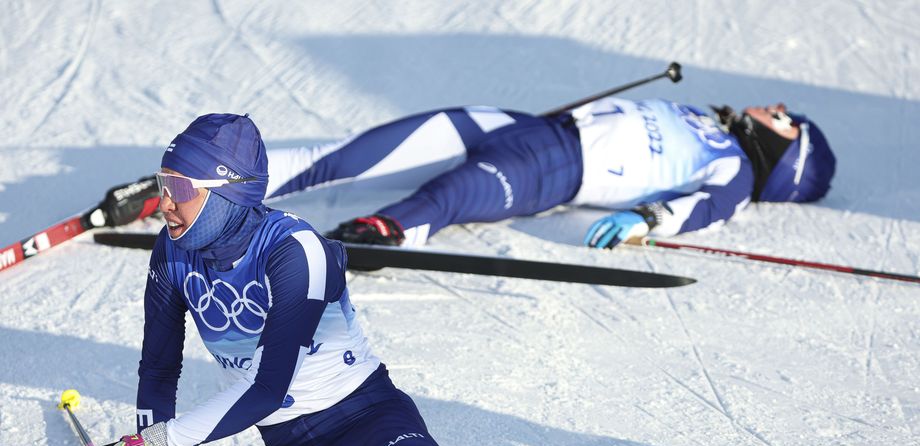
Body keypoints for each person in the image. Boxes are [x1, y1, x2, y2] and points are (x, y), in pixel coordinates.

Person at [81, 112, 715, 446]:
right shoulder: (172, 253)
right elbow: (157, 371)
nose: (163, 203)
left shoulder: (295, 252)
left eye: (179, 189)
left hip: (368, 421)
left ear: (228, 193)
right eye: (161, 185)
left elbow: (272, 387)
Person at [259, 96, 836, 250]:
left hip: (551, 169)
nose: (775, 105)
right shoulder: (709, 118)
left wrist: (644, 219)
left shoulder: (732, 169)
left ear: (783, 159)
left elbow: (703, 210)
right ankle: (215, 183)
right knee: (353, 153)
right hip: (518, 126)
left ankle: (379, 232)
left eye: (785, 120)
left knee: (450, 195)